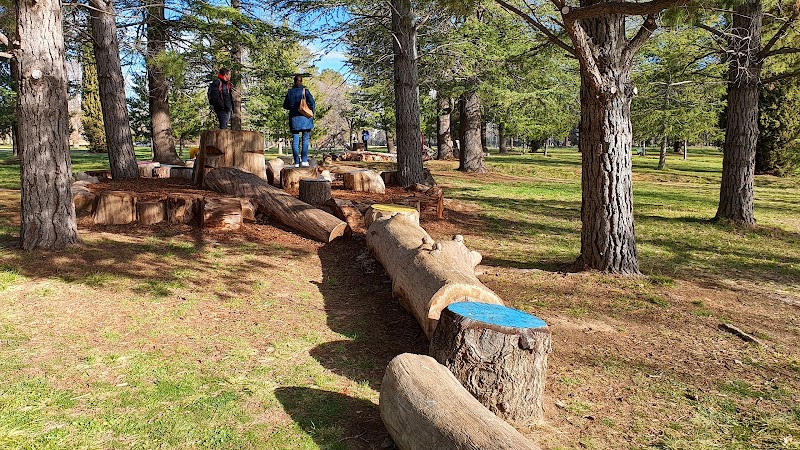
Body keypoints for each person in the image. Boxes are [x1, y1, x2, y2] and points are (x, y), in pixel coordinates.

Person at [283, 75, 316, 167]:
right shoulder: (305, 91)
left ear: (294, 81)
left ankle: (297, 162)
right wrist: (311, 112)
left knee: (295, 140)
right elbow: (313, 103)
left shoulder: (290, 92)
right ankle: (304, 160)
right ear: (301, 81)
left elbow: (285, 106)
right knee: (305, 139)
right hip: (306, 119)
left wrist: (293, 108)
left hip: (294, 119)